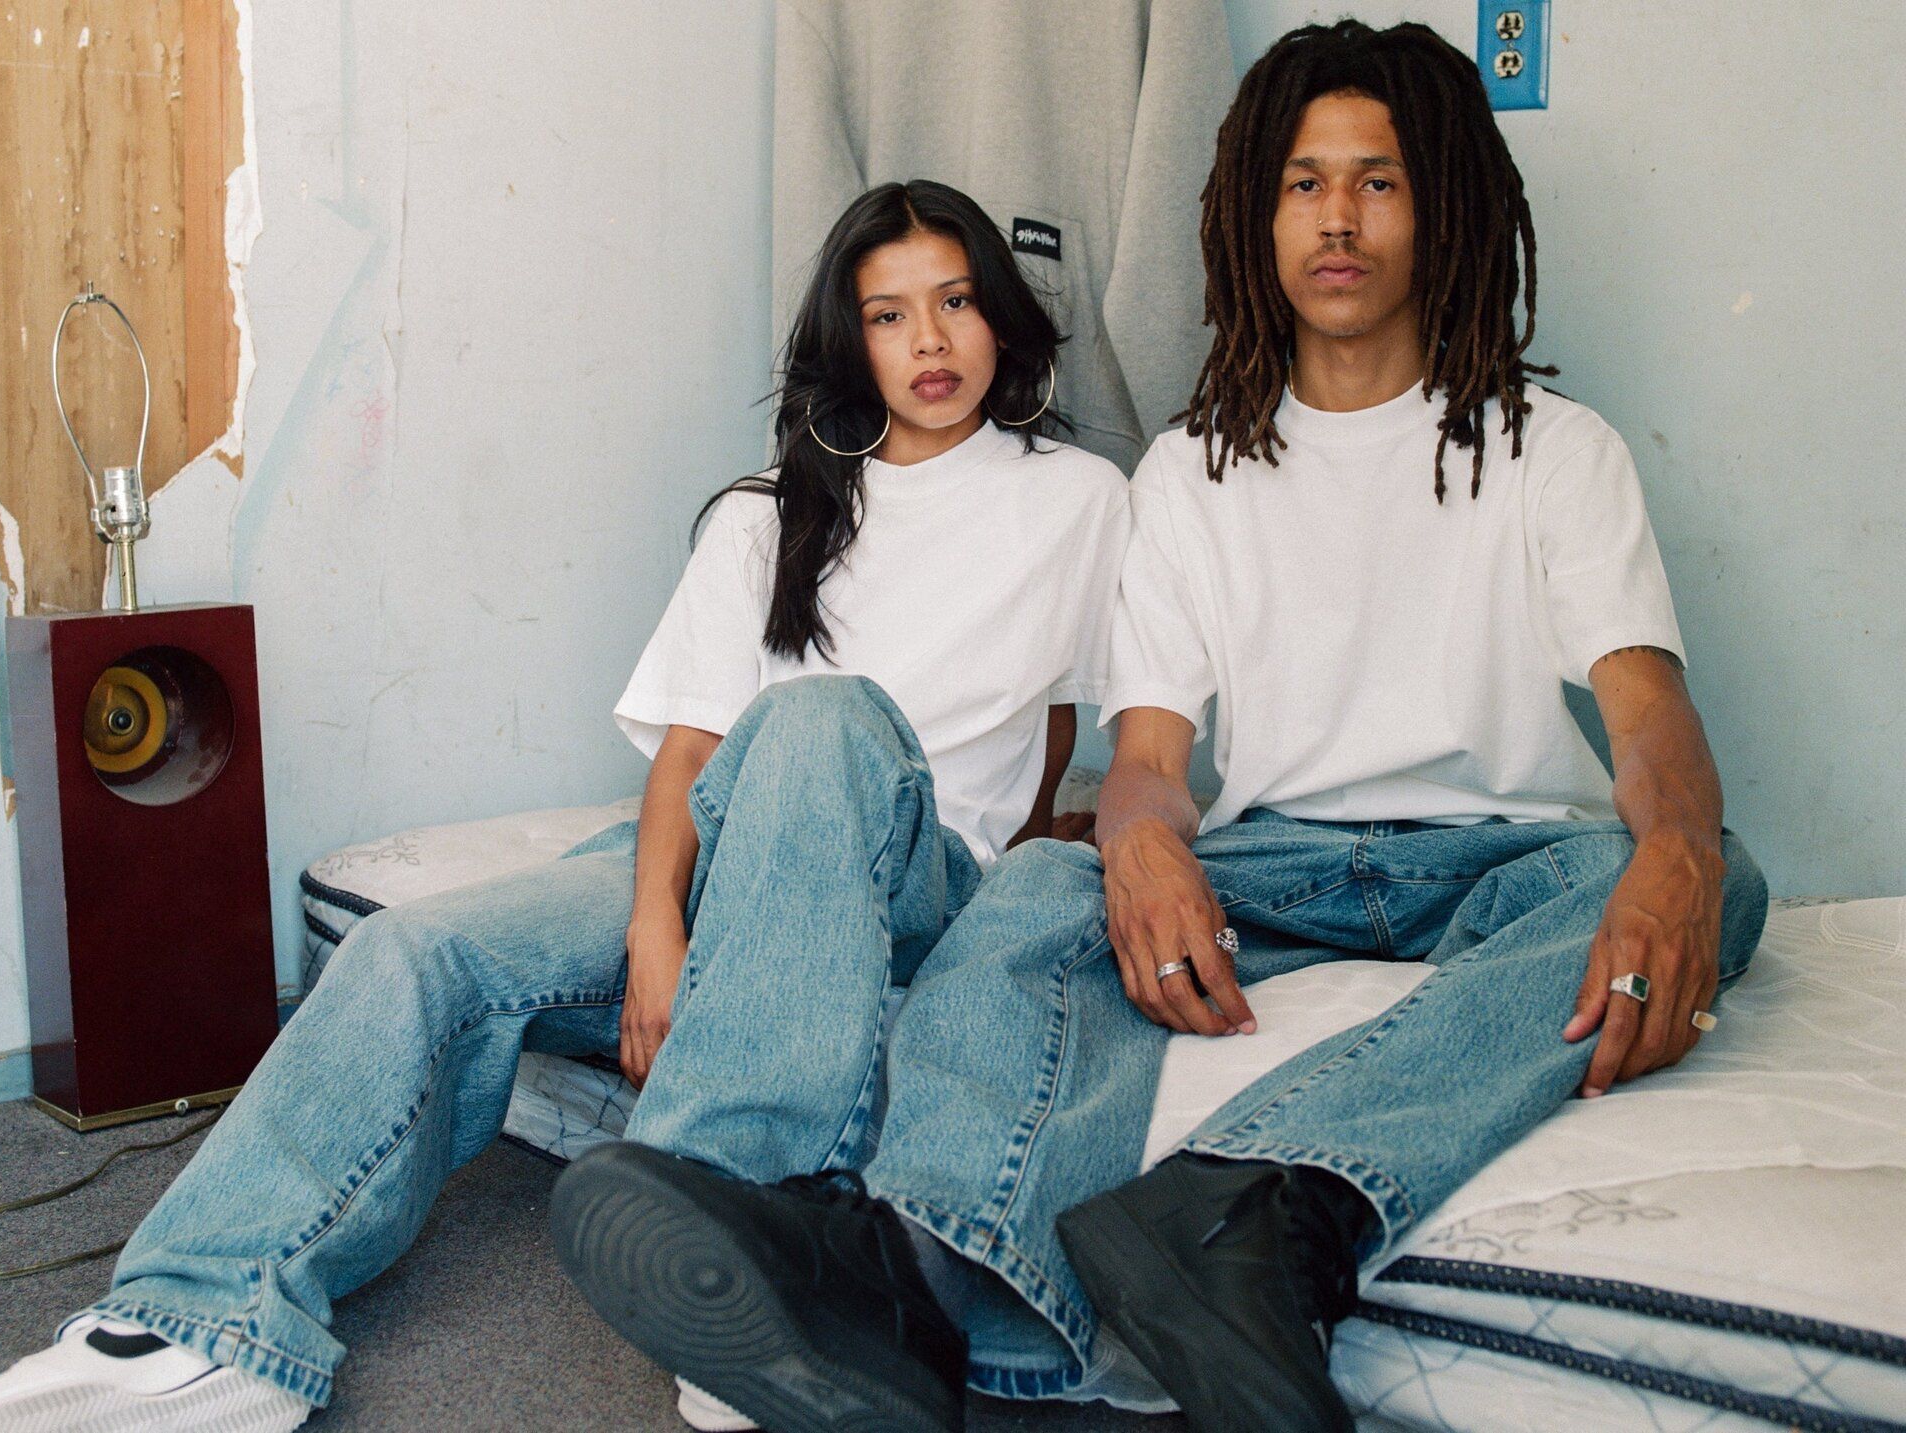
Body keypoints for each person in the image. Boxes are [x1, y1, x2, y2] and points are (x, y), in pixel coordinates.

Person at [553, 20, 1769, 1433]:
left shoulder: (1555, 449)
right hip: (1270, 861)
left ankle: (1261, 1200)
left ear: (1441, 207)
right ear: (1257, 216)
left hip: (1496, 860)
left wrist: (1676, 850)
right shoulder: (1190, 474)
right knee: (1042, 885)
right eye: (1303, 183)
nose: (1337, 218)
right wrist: (1137, 848)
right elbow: (1144, 762)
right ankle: (908, 1273)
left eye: (1377, 181)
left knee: (1718, 875)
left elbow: (1648, 717)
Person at [0, 179, 1129, 1433]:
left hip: (907, 876)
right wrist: (658, 928)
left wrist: (1013, 860)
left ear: (999, 317)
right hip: (724, 854)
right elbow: (689, 754)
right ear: (853, 342)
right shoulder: (768, 512)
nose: (928, 340)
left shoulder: (1078, 500)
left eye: (954, 302)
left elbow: (1055, 718)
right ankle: (202, 1320)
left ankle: (744, 1255)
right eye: (888, 315)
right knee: (416, 950)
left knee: (819, 717)